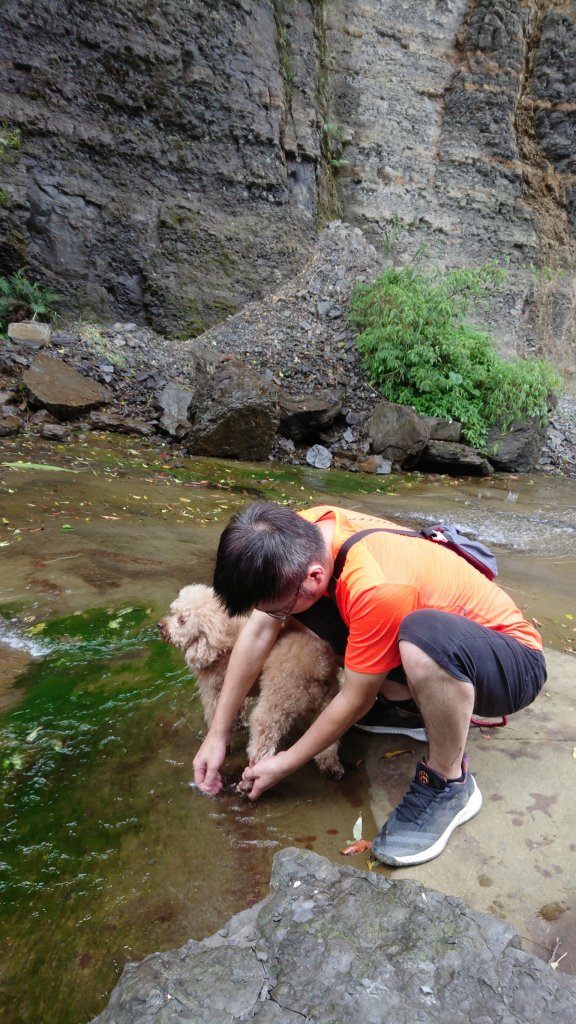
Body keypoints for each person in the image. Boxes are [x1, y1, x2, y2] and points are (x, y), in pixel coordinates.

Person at [192, 502, 546, 867]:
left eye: (278, 608)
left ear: (313, 576)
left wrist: (284, 763)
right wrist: (216, 734)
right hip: (434, 631)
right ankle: (408, 708)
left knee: (420, 639)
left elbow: (355, 697)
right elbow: (258, 630)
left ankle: (449, 783)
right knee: (314, 612)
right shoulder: (301, 532)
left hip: (511, 662)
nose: (277, 616)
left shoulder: (375, 586)